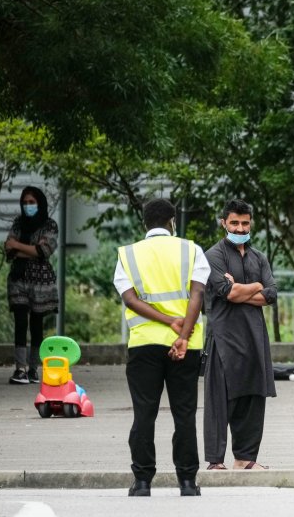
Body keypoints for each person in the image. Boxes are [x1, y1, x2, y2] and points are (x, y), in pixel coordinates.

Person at [113, 198, 209, 497]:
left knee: (144, 413)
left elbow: (130, 299)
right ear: (172, 222)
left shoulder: (128, 254)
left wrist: (166, 320)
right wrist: (182, 333)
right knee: (185, 414)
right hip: (186, 345)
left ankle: (142, 482)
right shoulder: (191, 250)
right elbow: (198, 294)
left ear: (145, 223)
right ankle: (188, 483)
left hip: (144, 344)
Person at [203, 199, 277, 471]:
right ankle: (215, 461)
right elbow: (227, 292)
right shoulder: (214, 255)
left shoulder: (259, 257)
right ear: (224, 222)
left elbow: (270, 295)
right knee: (219, 401)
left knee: (253, 399)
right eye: (234, 222)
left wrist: (246, 289)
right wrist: (254, 287)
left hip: (254, 338)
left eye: (245, 223)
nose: (240, 227)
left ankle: (246, 459)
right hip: (224, 338)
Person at [4, 186, 58, 385]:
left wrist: (18, 246)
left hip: (41, 282)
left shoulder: (49, 225)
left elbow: (44, 250)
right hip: (18, 278)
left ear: (40, 203)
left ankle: (34, 368)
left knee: (36, 324)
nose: (28, 206)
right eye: (25, 203)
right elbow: (8, 250)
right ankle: (20, 368)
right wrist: (30, 250)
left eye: (32, 202)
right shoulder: (18, 223)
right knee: (20, 321)